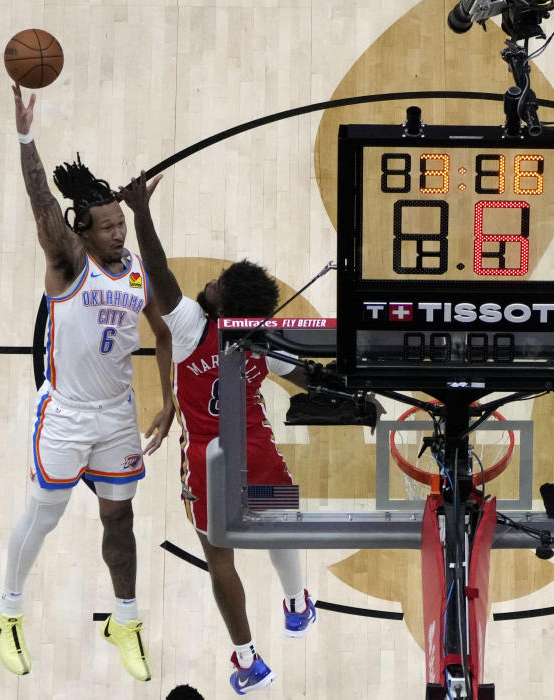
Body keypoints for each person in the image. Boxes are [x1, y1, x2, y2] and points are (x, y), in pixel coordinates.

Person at [0, 86, 174, 682]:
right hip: (66, 413)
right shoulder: (69, 262)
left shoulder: (136, 266)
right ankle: (7, 609)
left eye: (121, 224)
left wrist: (167, 404)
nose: (118, 233)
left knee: (120, 520)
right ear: (82, 231)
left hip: (117, 414)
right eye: (109, 226)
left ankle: (125, 619)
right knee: (46, 513)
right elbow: (41, 198)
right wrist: (25, 136)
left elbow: (164, 334)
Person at [118, 171, 317, 695]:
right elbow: (306, 379)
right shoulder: (260, 338)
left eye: (218, 285)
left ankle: (250, 662)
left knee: (218, 558)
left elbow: (159, 272)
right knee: (284, 522)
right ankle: (296, 604)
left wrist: (142, 213)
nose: (210, 282)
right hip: (257, 448)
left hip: (210, 459)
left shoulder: (190, 326)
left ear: (223, 306)